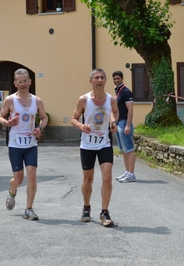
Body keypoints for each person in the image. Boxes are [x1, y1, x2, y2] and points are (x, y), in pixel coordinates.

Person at [0, 68, 48, 220]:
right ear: (15, 83)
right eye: (19, 82)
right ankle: (12, 190)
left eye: (25, 81)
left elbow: (44, 117)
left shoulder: (37, 101)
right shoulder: (10, 100)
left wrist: (39, 128)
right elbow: (0, 116)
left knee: (32, 175)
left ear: (30, 82)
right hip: (15, 144)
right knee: (18, 179)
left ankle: (29, 209)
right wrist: (8, 122)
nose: (23, 84)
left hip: (31, 144)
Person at [71, 68, 119, 227]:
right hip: (87, 144)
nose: (99, 80)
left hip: (104, 143)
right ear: (91, 81)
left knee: (107, 177)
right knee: (88, 179)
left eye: (102, 77)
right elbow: (73, 118)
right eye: (96, 77)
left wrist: (113, 123)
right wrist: (81, 125)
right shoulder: (84, 100)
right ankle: (86, 207)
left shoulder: (111, 99)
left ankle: (105, 212)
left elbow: (114, 113)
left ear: (105, 81)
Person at [112, 71, 136, 183]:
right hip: (118, 122)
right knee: (124, 150)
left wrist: (128, 125)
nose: (116, 80)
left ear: (122, 78)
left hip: (124, 123)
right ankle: (127, 172)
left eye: (118, 78)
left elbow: (130, 110)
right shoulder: (117, 91)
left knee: (129, 149)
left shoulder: (126, 92)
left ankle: (131, 174)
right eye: (114, 79)